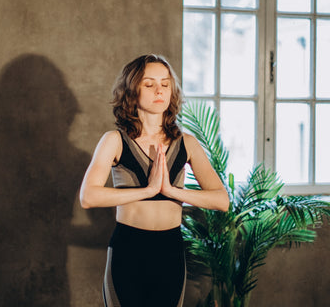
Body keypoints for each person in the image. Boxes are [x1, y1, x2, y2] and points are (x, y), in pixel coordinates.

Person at [79, 54, 229, 307]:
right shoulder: (114, 141)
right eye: (149, 84)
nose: (159, 90)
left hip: (170, 250)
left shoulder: (187, 144)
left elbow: (221, 200)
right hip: (128, 250)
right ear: (132, 90)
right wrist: (148, 189)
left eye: (165, 84)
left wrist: (171, 190)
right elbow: (89, 196)